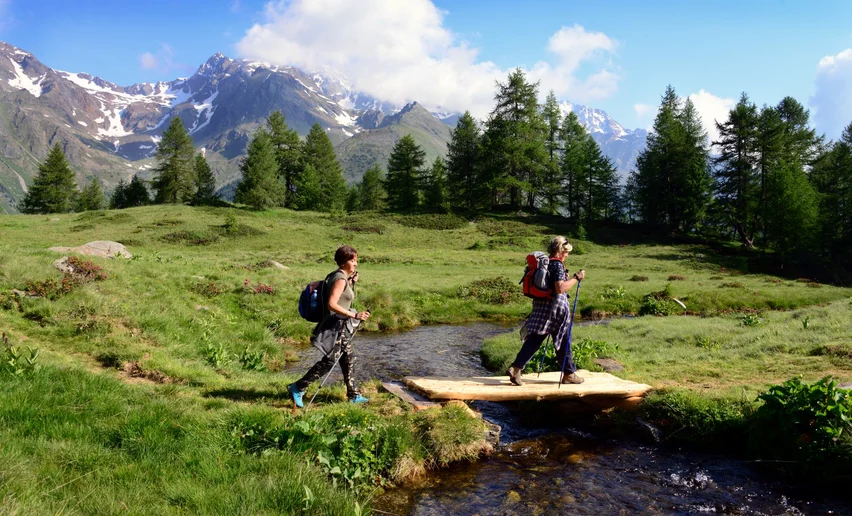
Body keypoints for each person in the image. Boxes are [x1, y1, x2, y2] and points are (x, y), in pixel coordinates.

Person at [288, 245, 371, 408]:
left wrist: (350, 281)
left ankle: (353, 394)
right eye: (353, 260)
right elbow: (332, 304)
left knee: (348, 358)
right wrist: (355, 315)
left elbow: (341, 297)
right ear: (344, 262)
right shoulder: (340, 279)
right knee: (330, 360)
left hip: (339, 325)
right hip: (336, 326)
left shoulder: (336, 276)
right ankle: (297, 387)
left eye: (356, 260)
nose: (356, 263)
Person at [507, 236, 586, 386]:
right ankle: (569, 374)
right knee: (564, 339)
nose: (567, 255)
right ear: (561, 250)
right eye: (567, 252)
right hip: (555, 308)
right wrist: (577, 277)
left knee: (535, 338)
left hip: (541, 306)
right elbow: (560, 288)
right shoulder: (557, 265)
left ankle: (516, 368)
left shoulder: (545, 263)